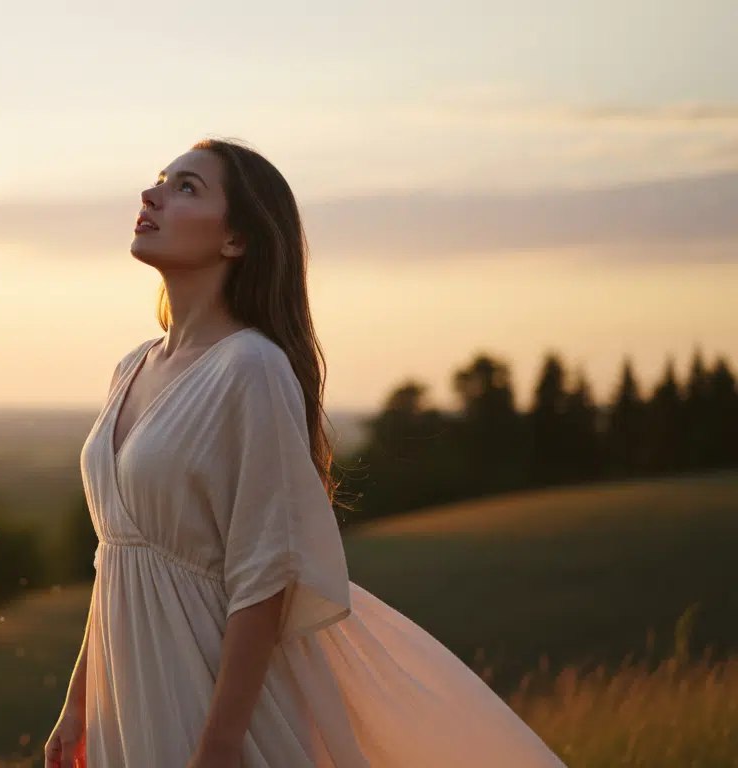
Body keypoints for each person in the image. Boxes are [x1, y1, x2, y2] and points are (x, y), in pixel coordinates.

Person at [44, 139, 565, 768]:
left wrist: (219, 743)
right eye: (159, 180)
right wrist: (79, 702)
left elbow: (266, 576)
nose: (151, 194)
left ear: (236, 240)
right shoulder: (132, 367)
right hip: (124, 697)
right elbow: (116, 556)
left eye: (186, 187)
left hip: (209, 698)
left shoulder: (251, 368)